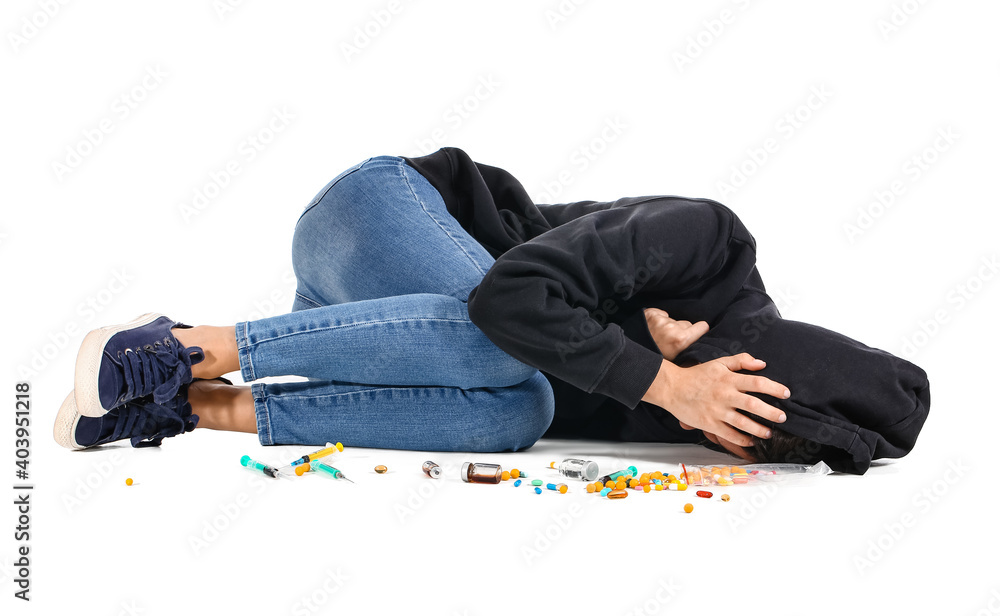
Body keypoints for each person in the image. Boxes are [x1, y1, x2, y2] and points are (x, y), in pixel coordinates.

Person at [53, 148, 931, 474]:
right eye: (733, 415)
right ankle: (178, 348)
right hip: (377, 214)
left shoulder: (699, 418)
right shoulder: (704, 241)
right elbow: (506, 299)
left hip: (363, 326)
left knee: (521, 412)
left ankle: (180, 407)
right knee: (507, 357)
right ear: (750, 357)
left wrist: (659, 386)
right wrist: (660, 371)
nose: (712, 436)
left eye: (740, 444)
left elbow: (520, 399)